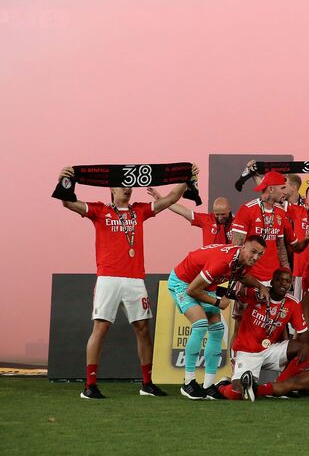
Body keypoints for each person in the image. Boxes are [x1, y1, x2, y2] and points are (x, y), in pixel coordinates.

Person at [57, 165, 192, 399]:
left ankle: (147, 383)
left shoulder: (139, 211)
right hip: (108, 278)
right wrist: (66, 180)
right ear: (111, 188)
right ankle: (90, 385)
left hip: (134, 279)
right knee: (101, 328)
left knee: (142, 329)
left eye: (129, 186)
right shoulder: (99, 210)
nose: (126, 189)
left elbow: (171, 198)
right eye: (121, 186)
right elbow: (68, 202)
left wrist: (186, 178)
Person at [167, 236, 268, 398]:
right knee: (200, 324)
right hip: (183, 283)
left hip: (205, 286)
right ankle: (188, 382)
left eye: (260, 254)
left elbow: (243, 276)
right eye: (253, 252)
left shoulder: (242, 259)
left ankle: (208, 385)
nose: (256, 257)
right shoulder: (222, 262)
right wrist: (217, 302)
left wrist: (260, 286)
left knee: (218, 329)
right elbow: (192, 291)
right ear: (243, 247)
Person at [215, 267, 309, 400]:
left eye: (288, 281)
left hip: (270, 350)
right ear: (272, 282)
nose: (284, 284)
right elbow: (232, 289)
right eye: (280, 280)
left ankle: (281, 386)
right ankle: (221, 385)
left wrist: (306, 344)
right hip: (246, 350)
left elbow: (303, 333)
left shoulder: (293, 303)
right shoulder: (257, 294)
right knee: (238, 393)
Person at [159, 194, 235, 246]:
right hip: (210, 263)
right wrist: (162, 201)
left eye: (223, 214)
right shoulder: (207, 219)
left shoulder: (238, 222)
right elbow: (184, 212)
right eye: (217, 214)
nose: (220, 217)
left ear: (229, 210)